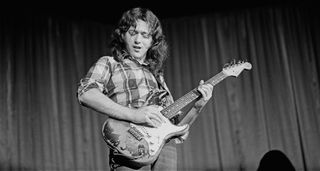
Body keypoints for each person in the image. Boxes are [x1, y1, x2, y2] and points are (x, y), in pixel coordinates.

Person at [77, 7, 213, 171]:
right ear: (123, 34)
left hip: (164, 149)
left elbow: (176, 130)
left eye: (145, 35)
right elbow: (86, 93)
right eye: (133, 32)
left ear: (152, 41)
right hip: (129, 144)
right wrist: (134, 114)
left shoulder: (157, 74)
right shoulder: (110, 62)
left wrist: (198, 106)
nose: (138, 40)